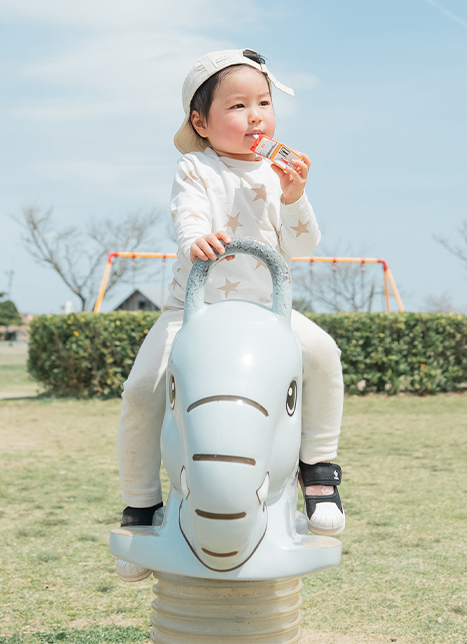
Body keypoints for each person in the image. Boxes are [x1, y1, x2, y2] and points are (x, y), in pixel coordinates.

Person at [115, 48, 346, 565]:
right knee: (141, 390)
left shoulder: (277, 173)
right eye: (237, 106)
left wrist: (295, 196)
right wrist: (197, 237)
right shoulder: (196, 167)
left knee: (324, 354)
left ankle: (319, 471)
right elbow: (189, 214)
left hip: (268, 311)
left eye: (263, 103)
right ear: (201, 121)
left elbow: (304, 246)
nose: (255, 116)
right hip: (192, 311)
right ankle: (138, 504)